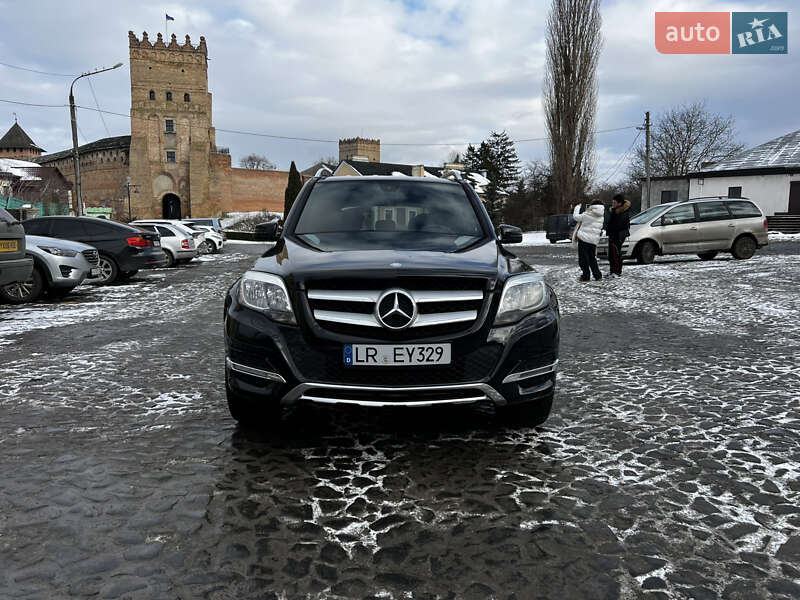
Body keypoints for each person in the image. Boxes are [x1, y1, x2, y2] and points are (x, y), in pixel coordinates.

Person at [572, 200, 605, 282]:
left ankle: (586, 276)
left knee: (583, 259)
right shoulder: (601, 216)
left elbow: (575, 217)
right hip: (593, 240)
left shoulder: (588, 214)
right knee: (592, 258)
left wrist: (577, 207)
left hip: (584, 239)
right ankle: (597, 275)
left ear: (593, 206)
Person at [605, 193, 631, 278]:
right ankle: (613, 271)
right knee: (611, 255)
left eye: (614, 202)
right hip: (613, 235)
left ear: (619, 203)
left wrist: (612, 232)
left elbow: (618, 225)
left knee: (616, 254)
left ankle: (617, 272)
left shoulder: (622, 212)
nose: (613, 204)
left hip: (617, 236)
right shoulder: (615, 211)